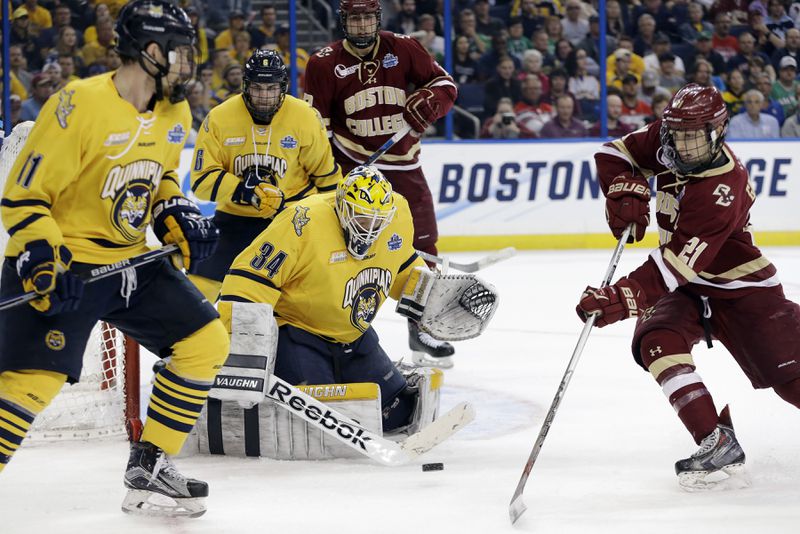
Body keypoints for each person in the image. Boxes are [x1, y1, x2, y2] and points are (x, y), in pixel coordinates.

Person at [0, 0, 229, 518]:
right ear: (151, 52)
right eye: (179, 52)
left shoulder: (175, 111)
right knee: (25, 388)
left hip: (130, 264)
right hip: (61, 263)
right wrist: (42, 261)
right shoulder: (78, 105)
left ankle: (150, 465)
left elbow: (161, 179)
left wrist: (177, 215)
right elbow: (23, 196)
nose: (187, 63)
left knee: (203, 340)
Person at [577, 83, 800, 490]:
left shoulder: (721, 188)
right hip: (689, 289)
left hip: (742, 289)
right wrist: (621, 190)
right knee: (656, 340)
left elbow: (673, 264)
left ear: (718, 133)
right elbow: (612, 153)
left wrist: (619, 298)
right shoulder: (670, 136)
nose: (683, 146)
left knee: (790, 383)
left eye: (694, 138)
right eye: (677, 135)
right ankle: (716, 440)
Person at [217, 165, 432, 433]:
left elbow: (402, 267)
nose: (370, 228)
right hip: (298, 333)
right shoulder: (302, 221)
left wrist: (432, 299)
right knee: (317, 423)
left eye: (378, 221)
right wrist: (241, 352)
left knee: (397, 415)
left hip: (353, 336)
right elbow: (249, 280)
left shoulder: (397, 213)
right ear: (341, 207)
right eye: (362, 218)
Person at [304, 0, 459, 368]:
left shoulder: (403, 48)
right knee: (342, 252)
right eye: (354, 18)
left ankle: (420, 327)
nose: (361, 25)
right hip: (352, 168)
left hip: (404, 168)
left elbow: (445, 83)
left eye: (367, 18)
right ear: (343, 21)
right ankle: (338, 331)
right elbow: (315, 130)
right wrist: (326, 179)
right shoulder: (323, 63)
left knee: (423, 246)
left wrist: (431, 98)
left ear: (377, 19)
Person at [189, 49, 341, 304]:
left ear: (283, 87)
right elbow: (200, 182)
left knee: (307, 300)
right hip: (235, 219)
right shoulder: (219, 118)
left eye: (271, 88)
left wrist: (335, 223)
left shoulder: (304, 116)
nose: (264, 96)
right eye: (257, 87)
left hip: (291, 219)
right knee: (196, 293)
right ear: (245, 86)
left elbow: (325, 178)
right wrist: (242, 191)